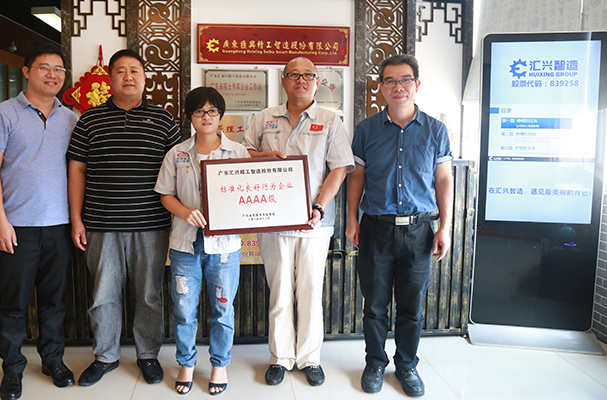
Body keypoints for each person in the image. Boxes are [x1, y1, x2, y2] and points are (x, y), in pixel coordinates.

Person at [67, 49, 181, 387]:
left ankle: (148, 354)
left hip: (152, 225)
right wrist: (76, 219)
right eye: (120, 71)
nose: (128, 76)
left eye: (134, 70)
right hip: (101, 225)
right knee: (103, 294)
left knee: (148, 295)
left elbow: (180, 170)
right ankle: (105, 356)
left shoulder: (164, 120)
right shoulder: (89, 120)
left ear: (145, 78)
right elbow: (77, 170)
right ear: (110, 78)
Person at [346, 54, 454, 397]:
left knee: (411, 306)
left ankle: (407, 365)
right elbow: (357, 176)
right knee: (374, 305)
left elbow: (444, 179)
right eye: (390, 81)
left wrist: (445, 226)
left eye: (405, 80)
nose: (398, 87)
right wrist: (351, 219)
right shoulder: (366, 129)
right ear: (381, 88)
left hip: (419, 231)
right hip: (376, 227)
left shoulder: (436, 130)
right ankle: (375, 363)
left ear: (416, 85)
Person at [242, 57, 354, 387]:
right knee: (279, 292)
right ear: (283, 81)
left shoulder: (330, 121)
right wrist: (267, 156)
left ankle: (309, 358)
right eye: (293, 75)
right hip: (272, 221)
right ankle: (280, 358)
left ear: (317, 82)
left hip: (314, 222)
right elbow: (242, 155)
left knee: (309, 290)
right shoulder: (264, 118)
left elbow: (339, 169)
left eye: (308, 75)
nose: (300, 80)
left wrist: (319, 206)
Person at [0, 42, 78, 400]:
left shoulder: (71, 118)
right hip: (16, 227)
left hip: (59, 227)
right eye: (44, 67)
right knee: (13, 304)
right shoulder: (1, 114)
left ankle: (53, 360)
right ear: (26, 71)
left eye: (58, 69)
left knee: (54, 302)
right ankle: (12, 370)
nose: (52, 74)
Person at [155, 86, 250, 395]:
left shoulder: (237, 152)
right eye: (199, 111)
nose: (206, 117)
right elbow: (165, 194)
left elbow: (248, 194)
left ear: (220, 115)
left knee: (223, 308)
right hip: (185, 244)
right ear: (190, 117)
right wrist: (185, 212)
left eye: (212, 111)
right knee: (184, 308)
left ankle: (219, 364)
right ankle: (186, 362)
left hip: (224, 247)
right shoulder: (177, 153)